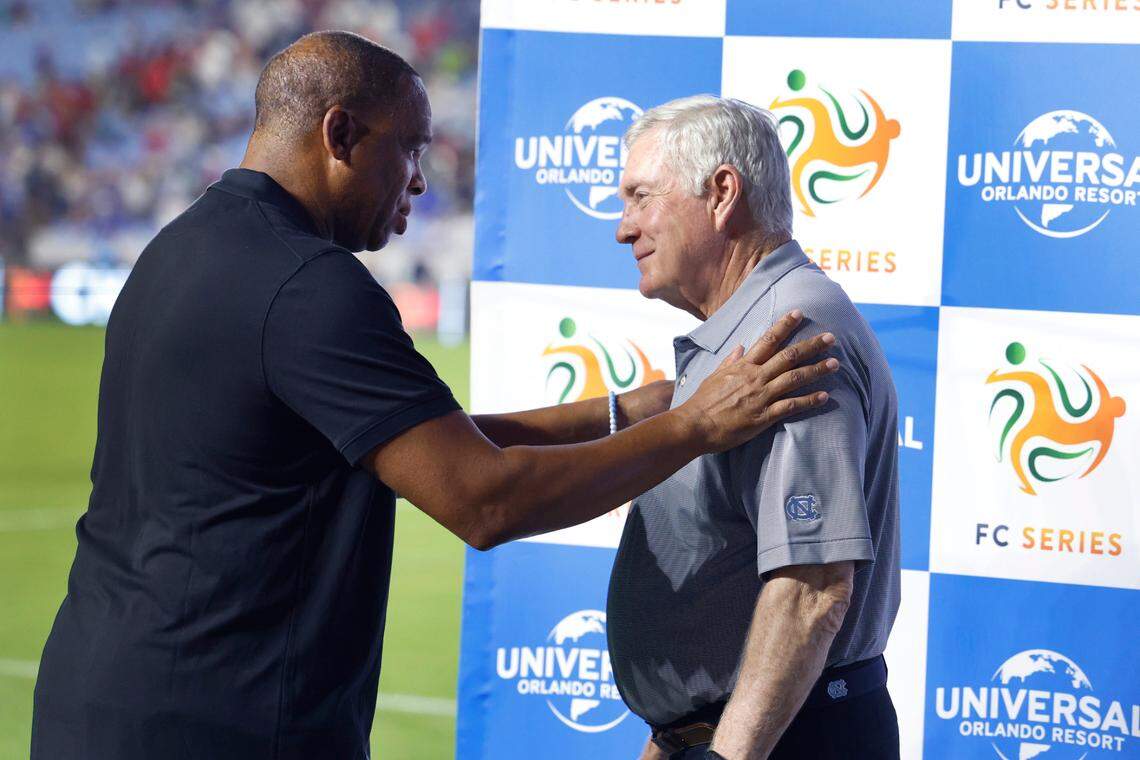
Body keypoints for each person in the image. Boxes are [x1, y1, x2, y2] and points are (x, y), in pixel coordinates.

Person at [30, 33, 839, 760]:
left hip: (94, 702)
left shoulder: (177, 251)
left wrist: (623, 413)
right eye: (411, 150)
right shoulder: (309, 286)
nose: (419, 180)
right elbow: (481, 497)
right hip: (223, 719)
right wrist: (698, 424)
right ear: (340, 134)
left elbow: (406, 443)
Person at [607, 95, 902, 759]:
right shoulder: (745, 329)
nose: (624, 228)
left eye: (641, 197)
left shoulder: (789, 335)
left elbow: (813, 588)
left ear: (721, 193)